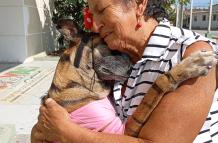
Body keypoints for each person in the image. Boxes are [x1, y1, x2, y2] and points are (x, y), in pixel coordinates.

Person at [31, 0, 218, 142]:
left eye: (102, 10)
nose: (94, 25)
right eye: (91, 15)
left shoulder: (192, 54)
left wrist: (67, 132)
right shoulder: (115, 57)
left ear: (139, 4)